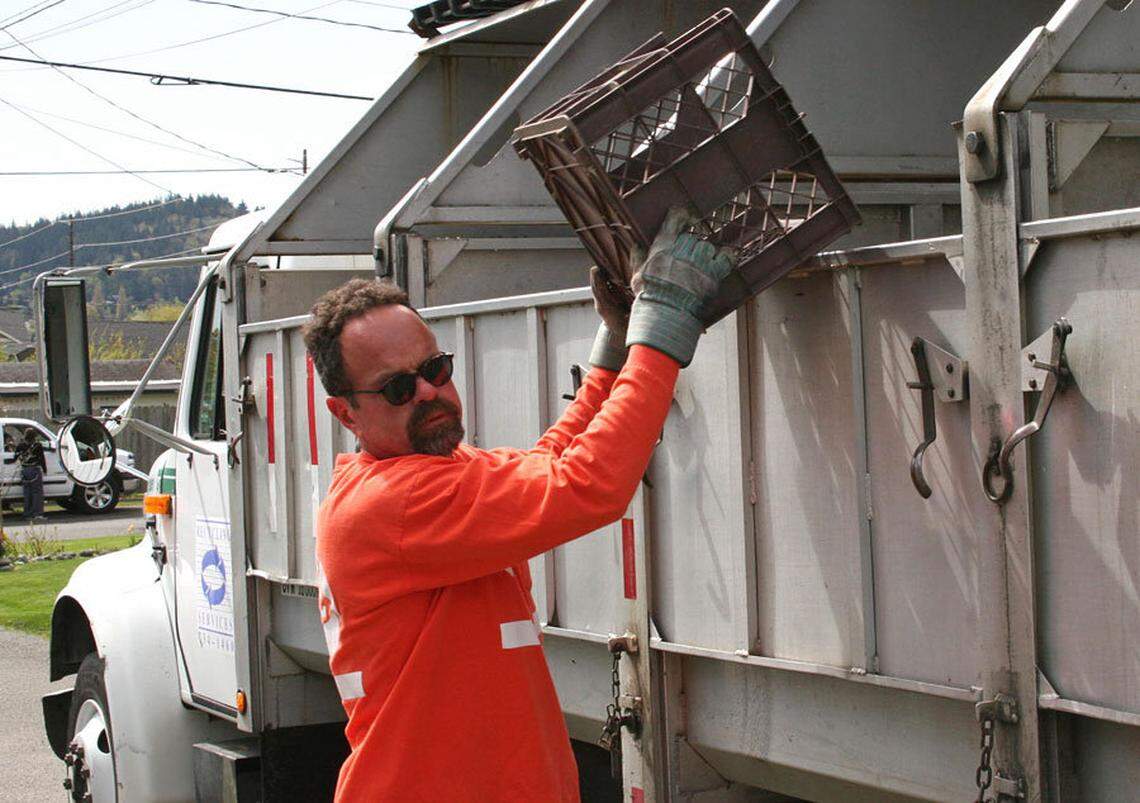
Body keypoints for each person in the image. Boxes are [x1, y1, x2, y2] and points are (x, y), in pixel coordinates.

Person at [303, 209, 735, 802]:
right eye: (399, 388)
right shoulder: (391, 505)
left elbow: (550, 462)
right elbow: (586, 486)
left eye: (434, 369)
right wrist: (661, 328)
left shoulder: (435, 475)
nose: (429, 392)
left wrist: (614, 350)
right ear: (346, 413)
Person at [15, 427, 46, 520]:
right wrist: (44, 469)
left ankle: (27, 514)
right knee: (37, 493)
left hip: (24, 470)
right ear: (34, 436)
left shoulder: (20, 445)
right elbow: (41, 459)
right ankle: (37, 514)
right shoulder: (37, 445)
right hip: (34, 470)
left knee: (27, 493)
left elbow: (15, 457)